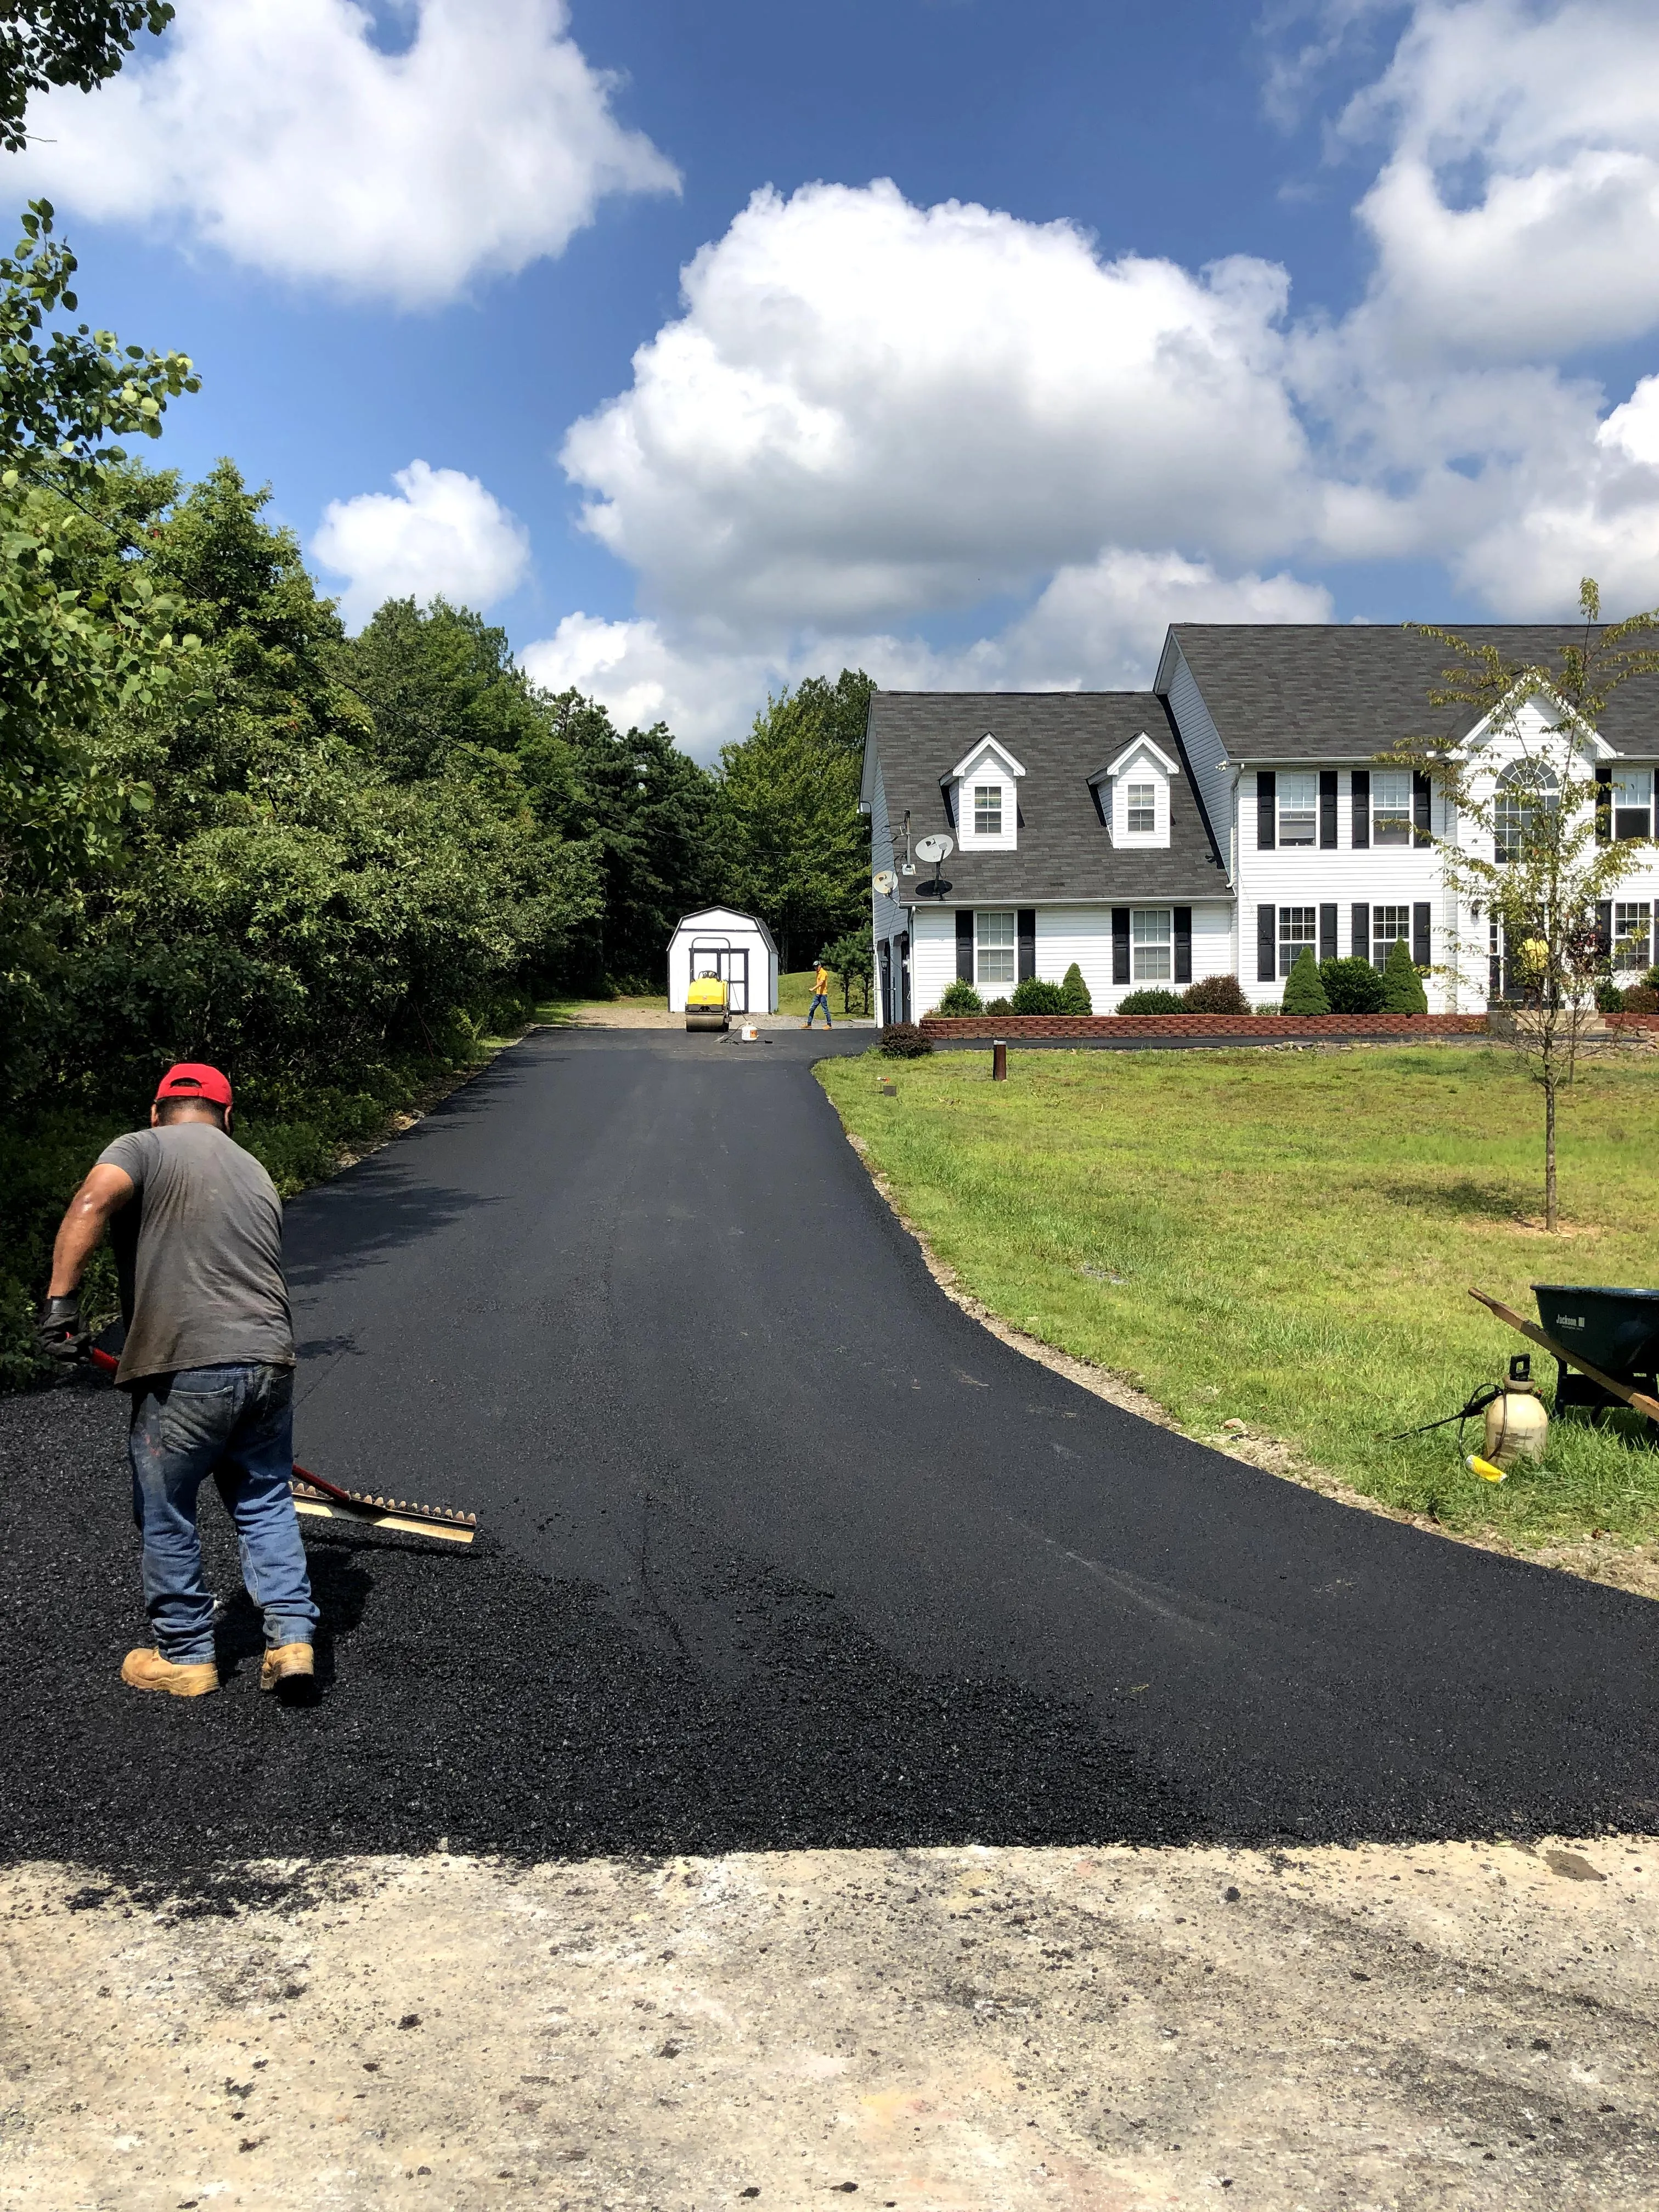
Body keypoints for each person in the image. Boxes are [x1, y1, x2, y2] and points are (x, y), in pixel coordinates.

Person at [37, 1063, 320, 1703]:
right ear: (228, 1115)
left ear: (156, 1108)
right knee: (265, 1499)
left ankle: (187, 1655)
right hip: (269, 1359)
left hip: (186, 1366)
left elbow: (91, 1201)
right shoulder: (253, 1168)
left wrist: (60, 1307)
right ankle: (292, 1639)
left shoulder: (141, 1147)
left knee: (165, 1508)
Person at [805, 956, 833, 1028]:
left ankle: (829, 1025)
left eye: (817, 966)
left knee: (825, 1010)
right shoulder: (818, 973)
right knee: (812, 1008)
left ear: (820, 966)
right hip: (818, 995)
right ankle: (809, 1024)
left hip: (823, 995)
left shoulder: (823, 973)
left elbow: (821, 983)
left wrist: (813, 989)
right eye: (815, 967)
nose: (816, 968)